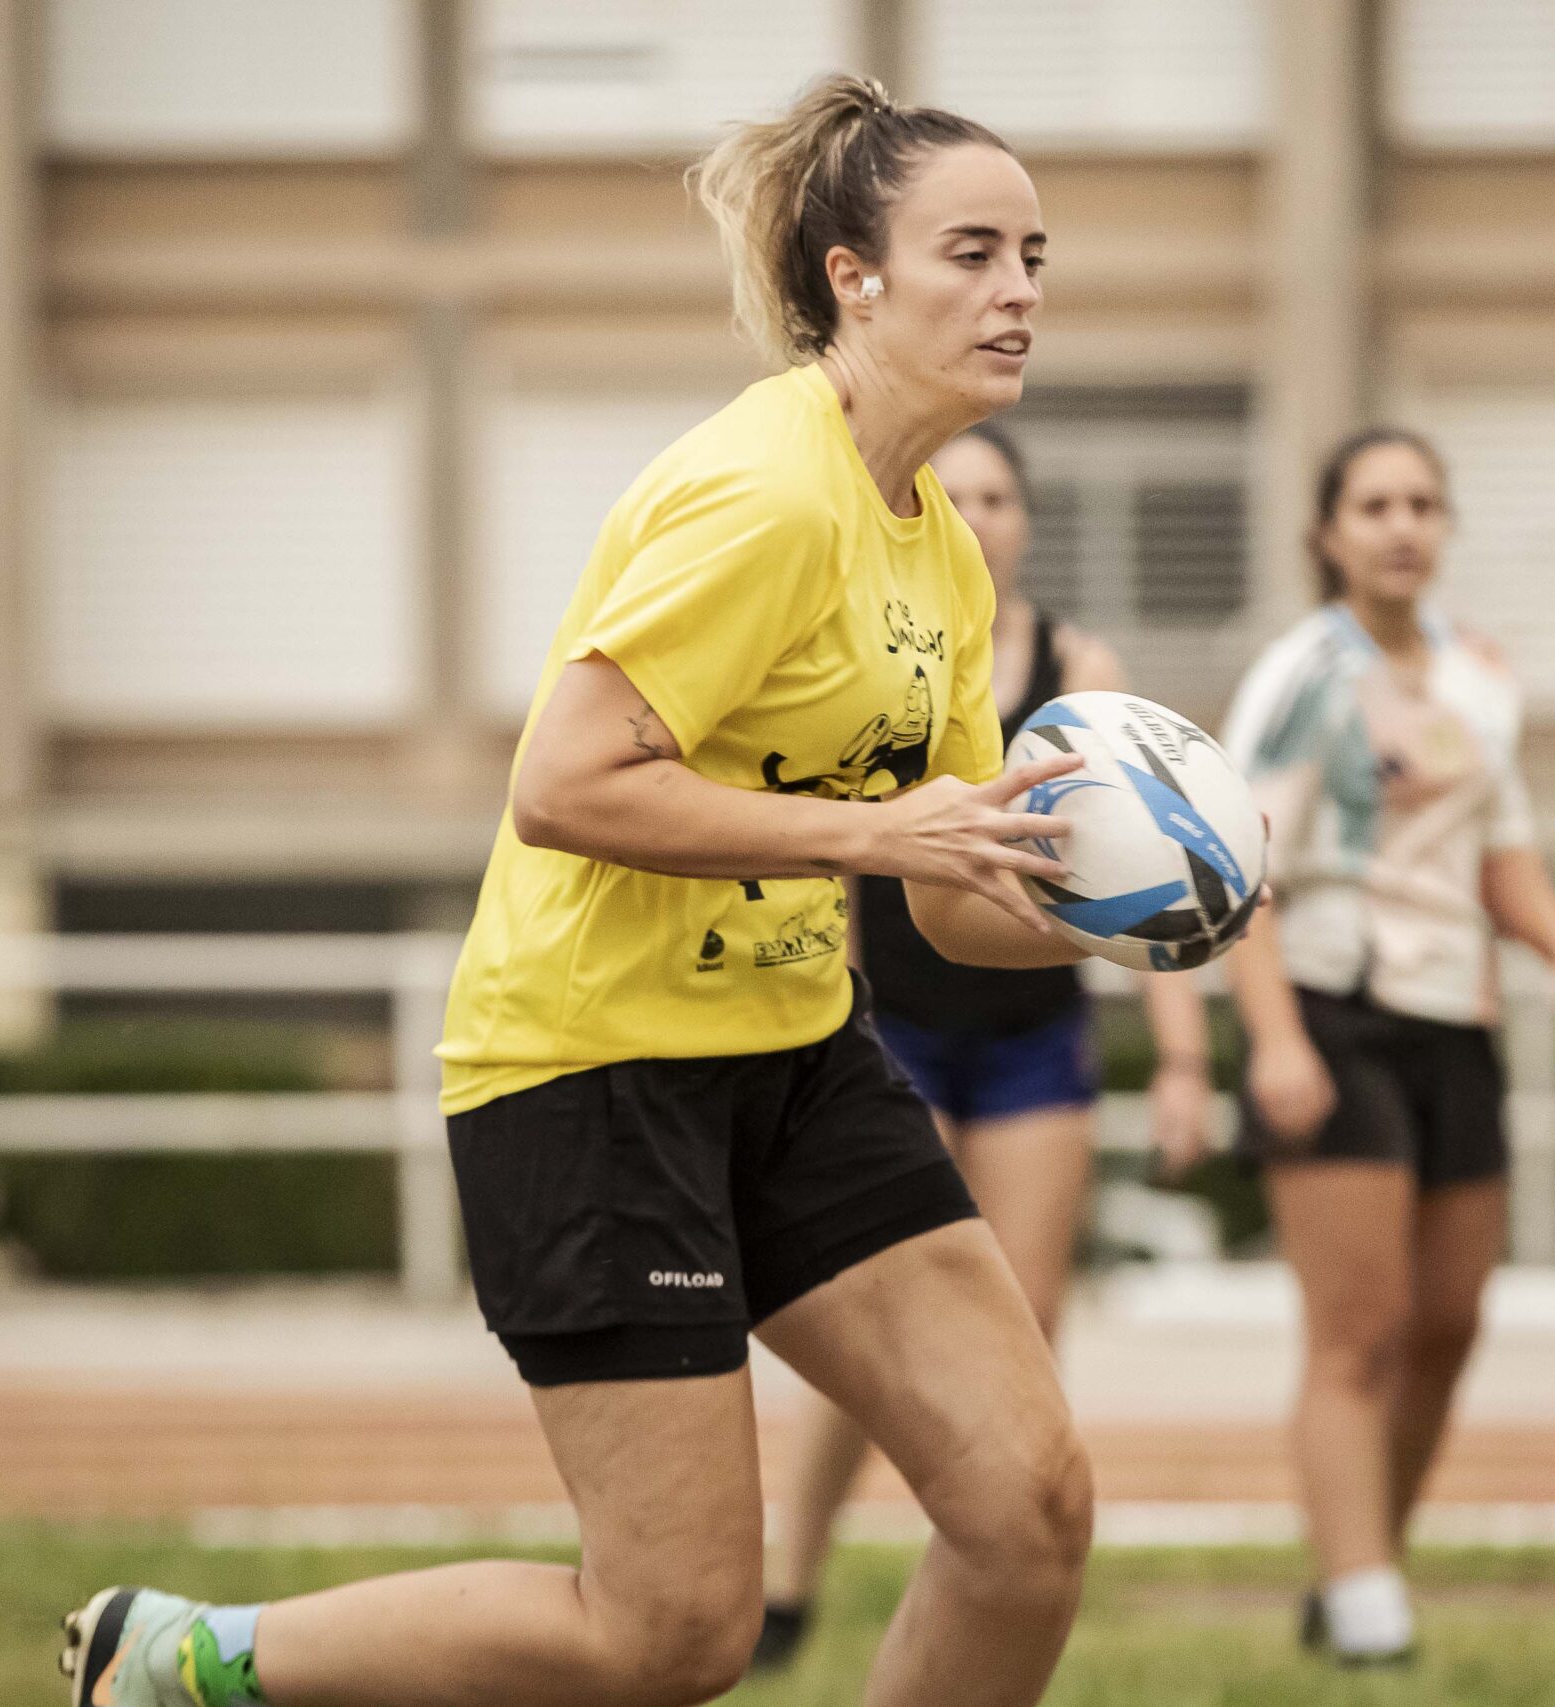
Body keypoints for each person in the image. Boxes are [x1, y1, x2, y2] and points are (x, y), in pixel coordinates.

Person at [61, 74, 1103, 1707]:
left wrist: (1109, 896)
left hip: (793, 1054)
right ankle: (188, 1660)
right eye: (973, 251)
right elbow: (565, 784)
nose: (1022, 290)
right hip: (591, 1070)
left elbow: (948, 880)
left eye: (1034, 254)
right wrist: (867, 839)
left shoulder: (942, 551)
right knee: (672, 1631)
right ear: (853, 274)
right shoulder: (765, 494)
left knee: (1029, 1509)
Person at [751, 421, 1215, 1669]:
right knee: (886, 1327)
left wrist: (1182, 1060)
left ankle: (983, 1555)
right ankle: (790, 1572)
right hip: (894, 1023)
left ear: (1023, 517)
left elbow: (1158, 873)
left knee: (1027, 1317)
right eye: (953, 492)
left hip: (1028, 1038)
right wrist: (834, 1010)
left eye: (1000, 493)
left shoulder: (1075, 667)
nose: (978, 512)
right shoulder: (880, 654)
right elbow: (835, 845)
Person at [1218, 427, 1555, 1667]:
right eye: (1374, 504)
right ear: (1328, 533)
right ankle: (1369, 1609)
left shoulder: (1479, 672)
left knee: (1447, 1324)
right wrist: (1273, 1038)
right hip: (1333, 1012)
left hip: (1458, 1022)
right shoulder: (1299, 676)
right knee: (1359, 1328)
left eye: (1423, 503)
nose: (1401, 525)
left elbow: (1504, 847)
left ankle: (1358, 1567)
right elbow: (1238, 871)